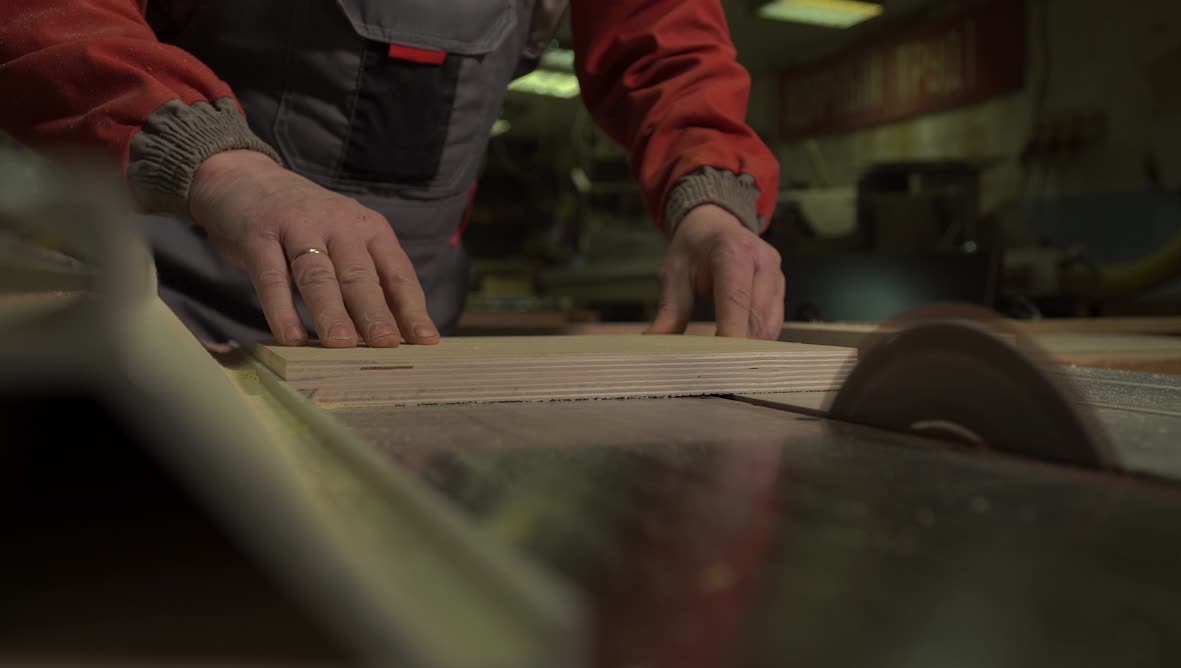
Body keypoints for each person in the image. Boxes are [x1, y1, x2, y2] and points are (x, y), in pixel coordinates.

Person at [0, 0, 785, 348]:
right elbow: (54, 14)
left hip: (397, 352)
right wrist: (215, 161)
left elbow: (668, 43)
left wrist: (711, 197)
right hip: (146, 326)